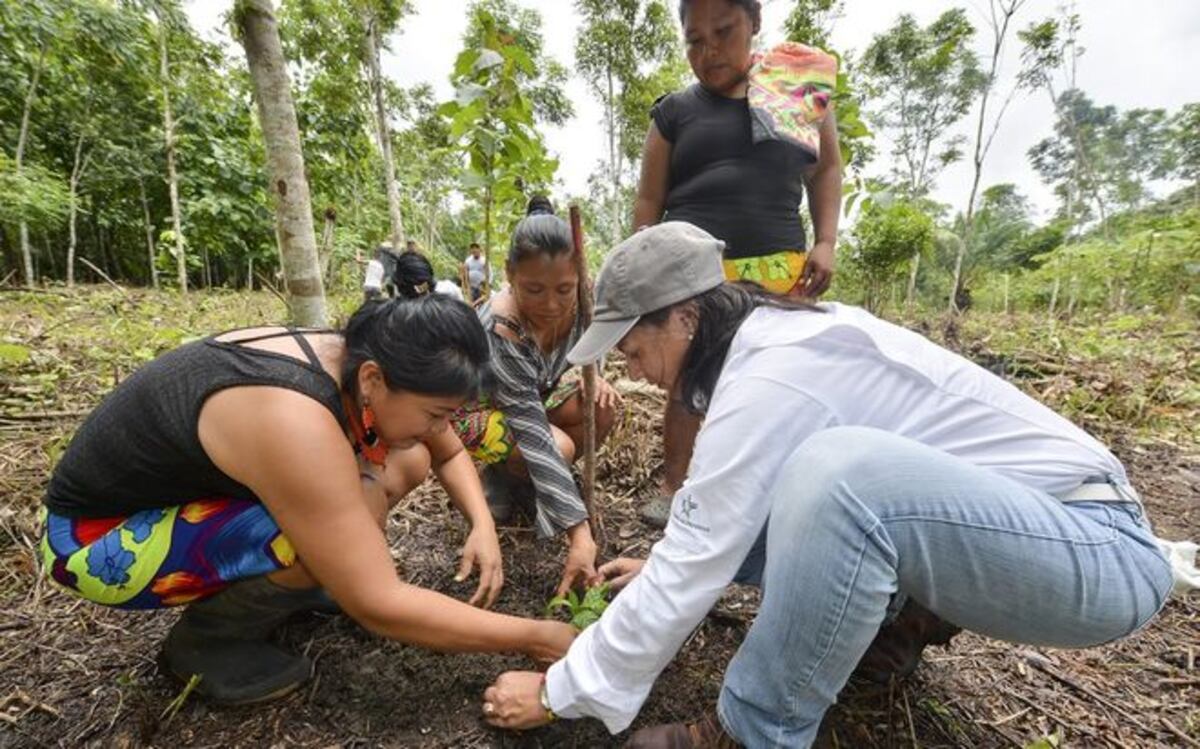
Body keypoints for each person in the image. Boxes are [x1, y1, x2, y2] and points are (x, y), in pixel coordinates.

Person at [479, 223, 1174, 748]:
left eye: (635, 348)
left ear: (685, 318)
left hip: (1096, 550)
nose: (639, 369)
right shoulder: (775, 343)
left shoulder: (769, 375)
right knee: (815, 483)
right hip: (1027, 538)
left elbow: (706, 545)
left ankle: (752, 730)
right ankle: (901, 618)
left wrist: (558, 690)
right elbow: (726, 515)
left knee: (840, 477)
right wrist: (664, 563)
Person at [40, 295, 575, 705]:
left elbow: (445, 449)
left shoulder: (367, 357)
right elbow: (378, 605)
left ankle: (305, 581)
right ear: (373, 380)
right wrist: (534, 637)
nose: (442, 426)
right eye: (436, 411)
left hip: (188, 502)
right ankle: (208, 645)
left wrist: (480, 523)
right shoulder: (294, 421)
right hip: (96, 542)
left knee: (400, 459)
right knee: (325, 526)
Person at [633, 0, 843, 528]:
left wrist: (827, 241)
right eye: (694, 40)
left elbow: (826, 171)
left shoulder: (795, 91)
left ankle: (775, 493)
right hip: (695, 277)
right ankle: (674, 487)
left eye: (723, 32)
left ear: (754, 22)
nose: (709, 50)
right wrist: (646, 265)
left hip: (779, 270)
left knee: (778, 382)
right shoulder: (674, 112)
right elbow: (648, 200)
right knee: (690, 384)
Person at [451, 196, 621, 597]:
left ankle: (534, 482)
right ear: (509, 274)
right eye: (534, 289)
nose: (551, 304)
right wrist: (579, 535)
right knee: (555, 447)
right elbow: (530, 427)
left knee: (602, 404)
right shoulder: (501, 329)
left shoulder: (583, 302)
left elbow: (586, 352)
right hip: (478, 412)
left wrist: (594, 375)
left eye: (564, 289)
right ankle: (502, 477)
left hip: (532, 397)